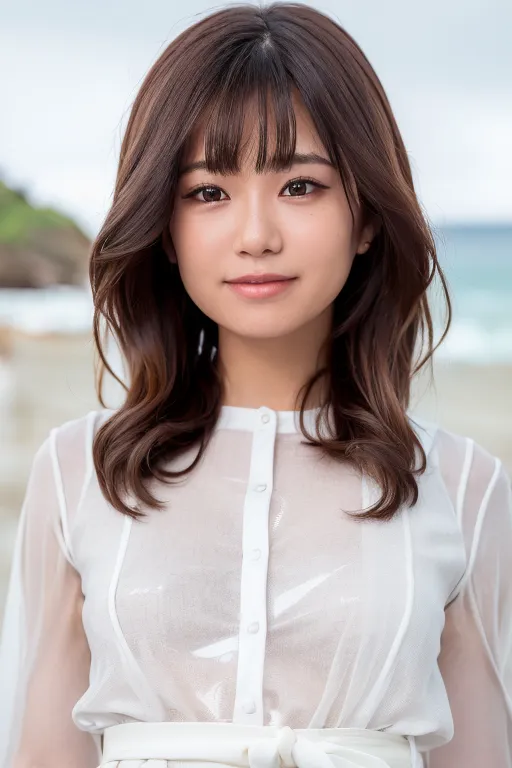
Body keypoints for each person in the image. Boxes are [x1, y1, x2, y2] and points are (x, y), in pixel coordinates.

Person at [0, 3, 511, 767]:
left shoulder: (464, 490)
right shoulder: (79, 473)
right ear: (165, 228)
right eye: (209, 192)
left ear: (367, 215)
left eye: (300, 186)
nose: (256, 233)